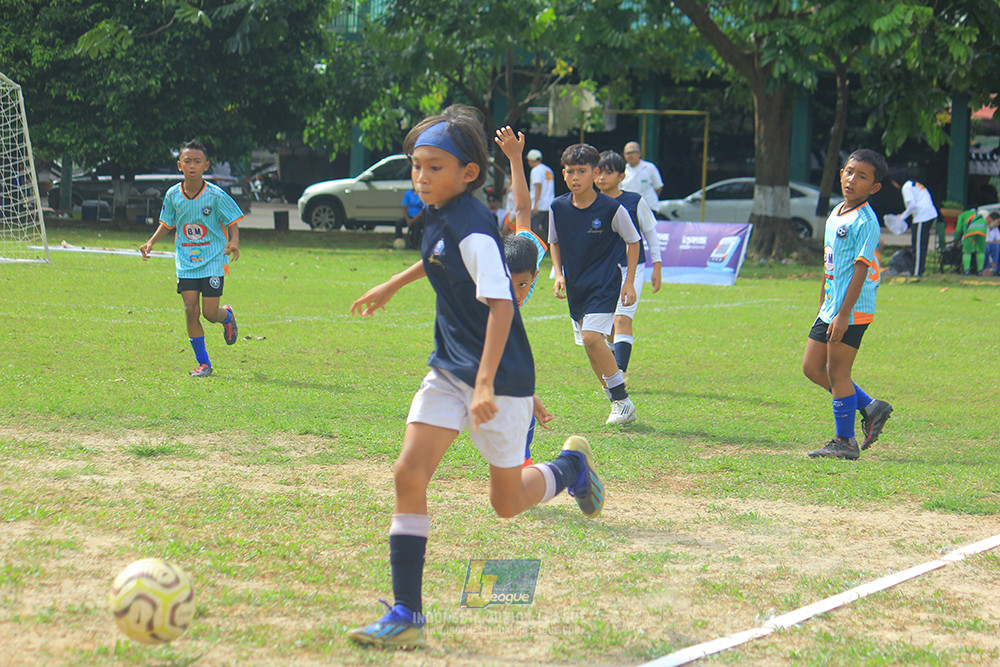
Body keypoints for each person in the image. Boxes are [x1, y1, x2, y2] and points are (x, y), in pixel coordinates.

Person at [346, 106, 605, 649]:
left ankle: (571, 467)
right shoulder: (441, 214)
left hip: (500, 375)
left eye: (433, 167)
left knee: (506, 504)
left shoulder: (473, 228)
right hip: (448, 368)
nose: (421, 176)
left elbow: (502, 307)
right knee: (408, 473)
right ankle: (407, 614)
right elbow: (439, 257)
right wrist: (393, 283)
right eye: (416, 166)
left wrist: (485, 383)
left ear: (467, 174)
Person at [802, 149, 894, 460]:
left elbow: (860, 267)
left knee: (837, 372)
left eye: (863, 176)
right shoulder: (836, 212)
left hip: (852, 310)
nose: (853, 179)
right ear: (841, 172)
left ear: (874, 187)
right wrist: (823, 301)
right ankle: (870, 406)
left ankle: (846, 442)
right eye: (850, 171)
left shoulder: (866, 221)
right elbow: (831, 264)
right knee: (812, 368)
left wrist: (843, 315)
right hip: (832, 306)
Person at [549, 143, 642, 426]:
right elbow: (554, 241)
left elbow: (634, 241)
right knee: (590, 348)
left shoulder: (612, 208)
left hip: (604, 284)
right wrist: (559, 273)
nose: (575, 177)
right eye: (570, 171)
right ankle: (617, 399)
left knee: (592, 338)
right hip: (577, 286)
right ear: (563, 174)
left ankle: (622, 401)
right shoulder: (558, 207)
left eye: (582, 171)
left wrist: (629, 283)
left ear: (595, 173)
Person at [139, 140, 243, 378]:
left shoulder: (216, 195)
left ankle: (226, 315)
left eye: (197, 161)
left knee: (209, 313)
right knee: (190, 310)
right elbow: (166, 223)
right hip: (186, 261)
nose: (192, 166)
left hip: (213, 260)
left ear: (206, 165)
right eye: (187, 161)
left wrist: (234, 241)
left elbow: (232, 221)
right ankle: (204, 364)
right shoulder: (173, 194)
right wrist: (151, 241)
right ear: (179, 165)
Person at [495, 125, 549, 467]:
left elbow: (524, 209)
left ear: (535, 277)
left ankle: (524, 462)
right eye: (508, 283)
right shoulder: (485, 265)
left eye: (523, 286)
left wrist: (516, 158)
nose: (516, 293)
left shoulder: (531, 252)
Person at [595, 150, 662, 382]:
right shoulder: (590, 201)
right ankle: (612, 370)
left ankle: (620, 372)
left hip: (632, 268)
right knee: (608, 324)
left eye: (608, 173)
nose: (602, 177)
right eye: (599, 172)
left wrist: (658, 267)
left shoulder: (634, 201)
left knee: (622, 319)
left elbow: (651, 233)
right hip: (602, 271)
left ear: (621, 177)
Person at [890, 168, 937, 277]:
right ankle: (918, 269)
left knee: (919, 245)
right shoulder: (914, 183)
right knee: (919, 244)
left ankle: (917, 272)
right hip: (926, 214)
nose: (894, 184)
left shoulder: (906, 187)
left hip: (922, 216)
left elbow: (912, 205)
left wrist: (902, 217)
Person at [621, 141, 664, 212]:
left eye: (633, 152)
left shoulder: (650, 167)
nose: (630, 155)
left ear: (639, 154)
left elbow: (658, 187)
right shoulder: (622, 170)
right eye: (628, 153)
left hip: (649, 208)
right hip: (629, 209)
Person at [527, 148, 554, 238]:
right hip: (549, 203)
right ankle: (550, 247)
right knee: (547, 229)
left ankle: (536, 248)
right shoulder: (548, 170)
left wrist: (535, 204)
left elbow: (538, 186)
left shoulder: (536, 171)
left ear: (531, 160)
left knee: (534, 228)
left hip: (540, 204)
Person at [953, 207, 989, 275]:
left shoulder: (962, 214)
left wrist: (956, 239)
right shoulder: (978, 214)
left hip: (970, 231)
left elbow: (958, 229)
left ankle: (967, 271)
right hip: (982, 231)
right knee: (980, 251)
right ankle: (980, 271)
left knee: (967, 251)